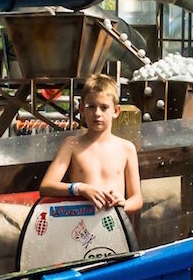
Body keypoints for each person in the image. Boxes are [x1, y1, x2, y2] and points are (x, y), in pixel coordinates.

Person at [38, 73, 142, 219]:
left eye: (104, 107)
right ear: (81, 109)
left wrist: (123, 204)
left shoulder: (127, 149)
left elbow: (137, 199)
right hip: (80, 227)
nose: (97, 113)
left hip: (115, 225)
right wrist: (80, 188)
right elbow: (46, 186)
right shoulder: (71, 144)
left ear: (116, 111)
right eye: (91, 107)